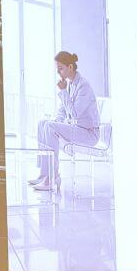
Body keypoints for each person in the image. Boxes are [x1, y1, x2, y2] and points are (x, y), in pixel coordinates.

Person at [29, 51, 100, 192]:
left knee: (50, 127)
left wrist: (63, 92)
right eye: (57, 68)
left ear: (70, 67)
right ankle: (44, 175)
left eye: (60, 68)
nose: (58, 72)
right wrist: (57, 120)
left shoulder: (84, 86)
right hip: (77, 129)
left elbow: (74, 114)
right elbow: (62, 111)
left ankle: (52, 178)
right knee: (43, 123)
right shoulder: (70, 84)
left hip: (89, 134)